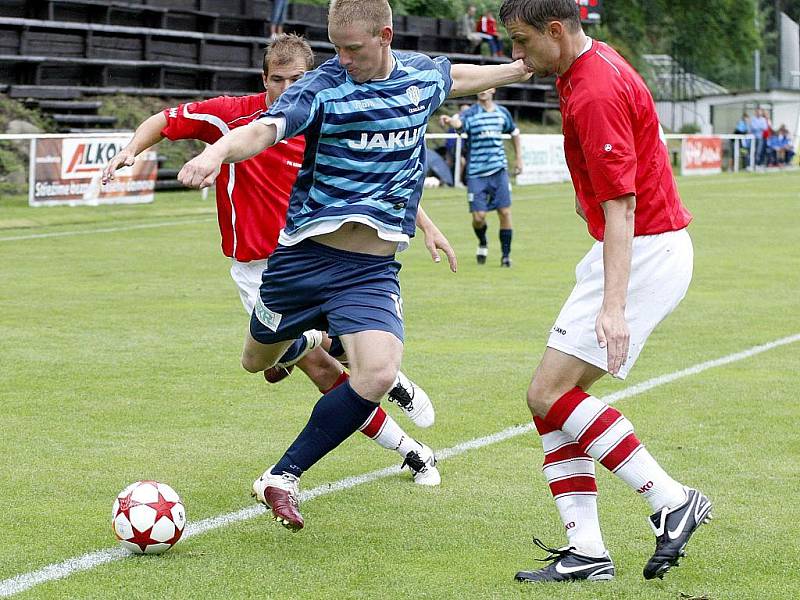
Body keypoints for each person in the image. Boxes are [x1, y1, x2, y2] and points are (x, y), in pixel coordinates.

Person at [177, 0, 531, 531]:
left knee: (379, 371)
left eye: (353, 49)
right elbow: (264, 129)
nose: (341, 59)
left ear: (385, 36)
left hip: (368, 271)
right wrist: (216, 154)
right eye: (336, 47)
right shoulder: (320, 87)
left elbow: (459, 74)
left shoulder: (419, 79)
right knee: (258, 361)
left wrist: (525, 66)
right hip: (299, 264)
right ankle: (316, 339)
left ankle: (282, 476)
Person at [100, 34, 441, 488]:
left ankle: (404, 440)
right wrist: (130, 149)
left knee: (325, 365)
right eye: (276, 79)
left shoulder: (325, 111)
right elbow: (163, 120)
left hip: (322, 256)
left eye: (296, 79)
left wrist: (426, 222)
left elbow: (374, 179)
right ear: (263, 79)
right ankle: (408, 442)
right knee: (321, 368)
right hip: (260, 271)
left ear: (313, 77)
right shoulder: (234, 118)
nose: (286, 88)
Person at [499, 0, 712, 583]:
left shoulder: (592, 89)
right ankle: (587, 551)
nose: (517, 56)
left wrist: (613, 308)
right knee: (549, 399)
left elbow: (623, 205)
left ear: (556, 30)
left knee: (547, 393)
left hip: (643, 250)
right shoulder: (586, 67)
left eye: (521, 41)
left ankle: (671, 500)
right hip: (640, 246)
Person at [440, 88, 522, 267]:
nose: (482, 91)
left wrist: (518, 159)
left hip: (498, 170)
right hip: (476, 172)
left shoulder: (502, 112)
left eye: (486, 88)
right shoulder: (470, 113)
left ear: (493, 89)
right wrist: (450, 121)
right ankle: (483, 242)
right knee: (479, 217)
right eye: (480, 88)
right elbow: (459, 124)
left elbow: (514, 132)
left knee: (505, 212)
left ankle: (505, 256)